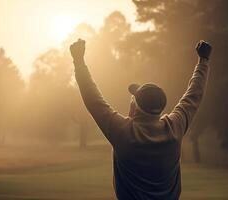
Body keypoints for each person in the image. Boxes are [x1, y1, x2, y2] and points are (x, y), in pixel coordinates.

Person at [70, 39, 211, 200]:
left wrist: (79, 62)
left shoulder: (123, 132)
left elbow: (93, 99)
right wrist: (203, 61)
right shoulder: (174, 128)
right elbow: (194, 95)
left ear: (135, 107)